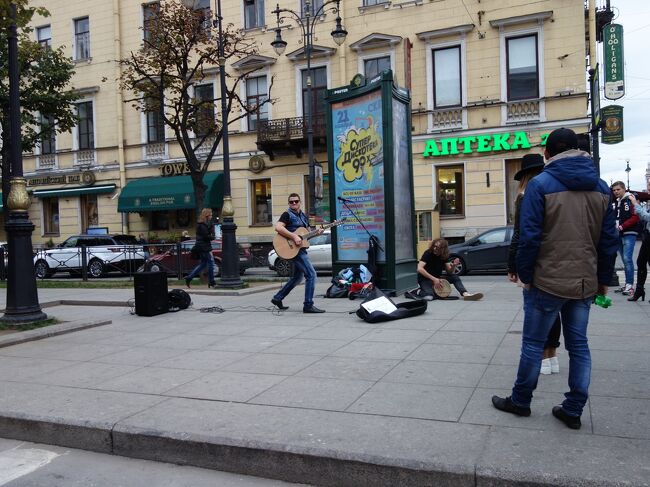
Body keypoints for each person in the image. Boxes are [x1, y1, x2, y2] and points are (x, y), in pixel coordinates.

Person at [492, 128, 618, 430]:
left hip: (546, 281)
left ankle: (520, 401)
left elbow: (529, 237)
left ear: (548, 153)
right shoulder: (601, 187)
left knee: (533, 345)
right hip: (584, 282)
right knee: (579, 346)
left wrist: (525, 274)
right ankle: (573, 409)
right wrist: (603, 279)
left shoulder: (540, 185)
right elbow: (608, 240)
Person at [507, 154, 562, 376]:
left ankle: (540, 360)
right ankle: (552, 357)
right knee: (553, 310)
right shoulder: (553, 190)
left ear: (523, 176)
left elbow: (520, 234)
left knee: (536, 312)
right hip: (555, 258)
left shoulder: (525, 195)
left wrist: (513, 265)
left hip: (534, 260)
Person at [271, 193, 325, 313]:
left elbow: (305, 236)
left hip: (299, 248)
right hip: (293, 249)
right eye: (291, 202)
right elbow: (278, 227)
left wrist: (317, 232)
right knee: (311, 275)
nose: (294, 203)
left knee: (297, 277)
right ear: (289, 204)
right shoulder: (287, 214)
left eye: (296, 201)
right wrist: (294, 236)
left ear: (300, 202)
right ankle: (308, 305)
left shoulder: (303, 216)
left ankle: (277, 298)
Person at [415, 238, 483, 301]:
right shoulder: (428, 253)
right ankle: (417, 291)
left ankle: (465, 294)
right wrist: (434, 279)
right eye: (434, 246)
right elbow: (419, 268)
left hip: (437, 279)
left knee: (454, 277)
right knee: (430, 297)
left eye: (438, 247)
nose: (435, 248)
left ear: (443, 249)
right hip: (424, 279)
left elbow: (449, 272)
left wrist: (454, 266)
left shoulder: (444, 255)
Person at [611, 181, 640, 295]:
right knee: (624, 259)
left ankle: (630, 286)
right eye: (614, 190)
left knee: (627, 259)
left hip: (629, 232)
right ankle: (628, 285)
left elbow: (635, 216)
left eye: (618, 189)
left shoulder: (630, 199)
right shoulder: (616, 202)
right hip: (619, 233)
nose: (616, 192)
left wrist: (622, 226)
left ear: (624, 189)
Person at [185, 208, 216, 289]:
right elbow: (206, 236)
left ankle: (189, 277)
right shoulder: (202, 225)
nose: (211, 216)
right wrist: (213, 236)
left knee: (203, 264)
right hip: (204, 247)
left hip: (202, 246)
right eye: (211, 214)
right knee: (210, 263)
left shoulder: (202, 224)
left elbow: (205, 234)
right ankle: (212, 281)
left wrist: (211, 230)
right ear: (207, 215)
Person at [628, 194, 649, 302]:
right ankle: (640, 290)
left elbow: (647, 217)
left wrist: (635, 203)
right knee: (641, 262)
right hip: (648, 236)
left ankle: (639, 291)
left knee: (642, 262)